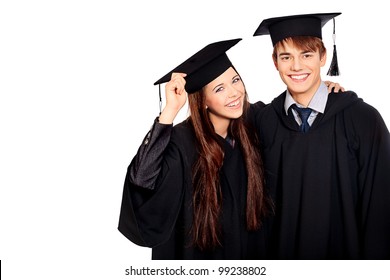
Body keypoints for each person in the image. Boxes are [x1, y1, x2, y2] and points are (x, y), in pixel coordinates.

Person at [252, 12, 390, 259]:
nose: (296, 66)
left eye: (306, 55)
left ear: (323, 57)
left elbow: (379, 205)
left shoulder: (363, 120)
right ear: (275, 62)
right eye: (286, 57)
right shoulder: (263, 123)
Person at [118, 38, 272, 259]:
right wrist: (169, 111)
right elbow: (142, 178)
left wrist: (320, 89)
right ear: (203, 101)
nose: (234, 92)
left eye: (235, 80)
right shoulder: (181, 141)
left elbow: (289, 111)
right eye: (219, 88)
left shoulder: (252, 122)